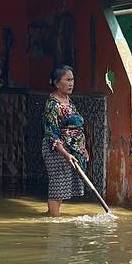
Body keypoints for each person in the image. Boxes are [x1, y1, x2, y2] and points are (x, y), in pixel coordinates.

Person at [43, 65, 88, 217]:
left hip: (71, 150)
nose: (71, 83)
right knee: (57, 188)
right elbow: (52, 135)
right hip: (57, 151)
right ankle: (54, 221)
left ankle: (52, 215)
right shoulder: (52, 105)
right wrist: (65, 154)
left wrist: (82, 148)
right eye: (67, 80)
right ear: (57, 83)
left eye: (72, 80)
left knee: (63, 189)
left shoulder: (68, 101)